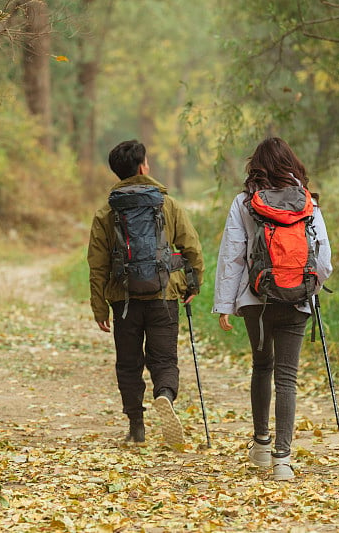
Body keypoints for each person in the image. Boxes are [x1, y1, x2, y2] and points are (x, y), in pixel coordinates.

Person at [212, 137, 333, 480]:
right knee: (287, 377)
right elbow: (323, 258)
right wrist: (311, 286)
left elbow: (232, 255)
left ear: (257, 166)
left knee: (261, 366)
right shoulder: (308, 202)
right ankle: (283, 460)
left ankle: (261, 445)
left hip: (256, 300)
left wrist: (225, 304)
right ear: (291, 164)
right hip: (297, 299)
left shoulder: (244, 202)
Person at [87, 139, 204, 445]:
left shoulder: (106, 212)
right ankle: (164, 394)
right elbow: (191, 248)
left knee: (128, 362)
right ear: (142, 167)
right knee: (164, 359)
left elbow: (97, 264)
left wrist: (99, 307)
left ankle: (136, 426)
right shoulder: (168, 204)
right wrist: (193, 284)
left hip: (122, 299)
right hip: (163, 295)